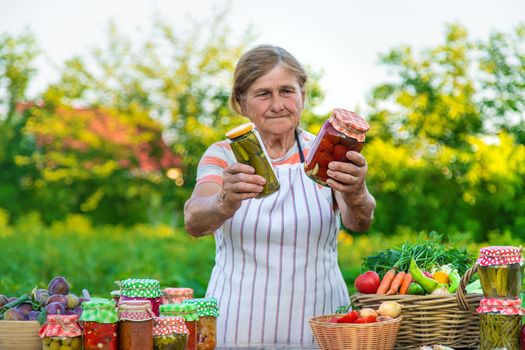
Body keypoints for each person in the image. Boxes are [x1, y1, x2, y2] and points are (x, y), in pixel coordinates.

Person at [184, 45, 376, 347]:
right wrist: (224, 201)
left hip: (321, 323)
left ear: (302, 95)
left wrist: (356, 191)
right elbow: (194, 220)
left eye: (287, 91)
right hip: (236, 323)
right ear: (241, 102)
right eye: (263, 94)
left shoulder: (325, 151)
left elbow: (359, 222)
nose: (277, 105)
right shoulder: (223, 155)